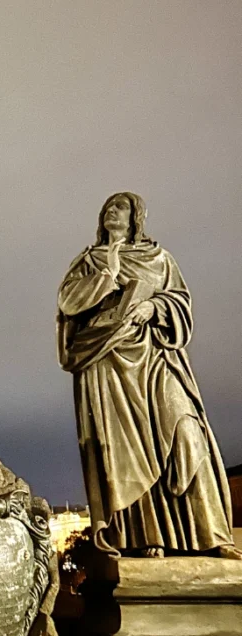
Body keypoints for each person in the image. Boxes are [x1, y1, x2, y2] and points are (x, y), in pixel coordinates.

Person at [57, 192, 239, 558]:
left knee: (187, 432)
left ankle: (211, 534)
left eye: (120, 206)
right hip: (106, 360)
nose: (112, 211)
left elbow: (180, 301)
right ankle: (146, 536)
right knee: (125, 452)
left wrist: (154, 306)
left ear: (136, 216)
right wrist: (106, 274)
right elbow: (68, 305)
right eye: (107, 207)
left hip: (156, 357)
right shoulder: (89, 261)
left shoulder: (158, 258)